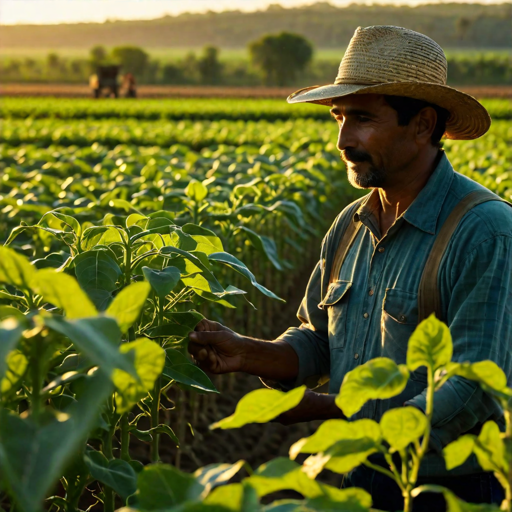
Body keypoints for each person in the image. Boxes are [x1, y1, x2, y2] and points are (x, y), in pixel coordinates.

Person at [188, 25, 512, 511]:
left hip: (441, 491)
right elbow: (318, 339)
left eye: (362, 119)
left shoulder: (484, 231)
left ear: (423, 125)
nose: (343, 139)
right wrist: (247, 353)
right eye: (339, 118)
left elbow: (472, 389)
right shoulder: (351, 224)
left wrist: (329, 408)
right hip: (351, 479)